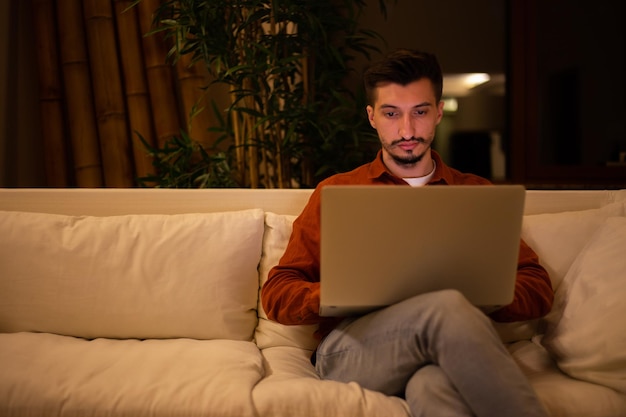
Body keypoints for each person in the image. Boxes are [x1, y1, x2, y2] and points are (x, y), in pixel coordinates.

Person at [261, 48, 553, 417]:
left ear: (438, 112)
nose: (407, 130)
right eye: (391, 113)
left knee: (433, 385)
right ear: (371, 117)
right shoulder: (338, 192)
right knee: (444, 307)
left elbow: (538, 286)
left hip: (442, 349)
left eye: (419, 112)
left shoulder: (474, 195)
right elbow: (277, 293)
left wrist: (483, 292)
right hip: (351, 352)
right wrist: (338, 292)